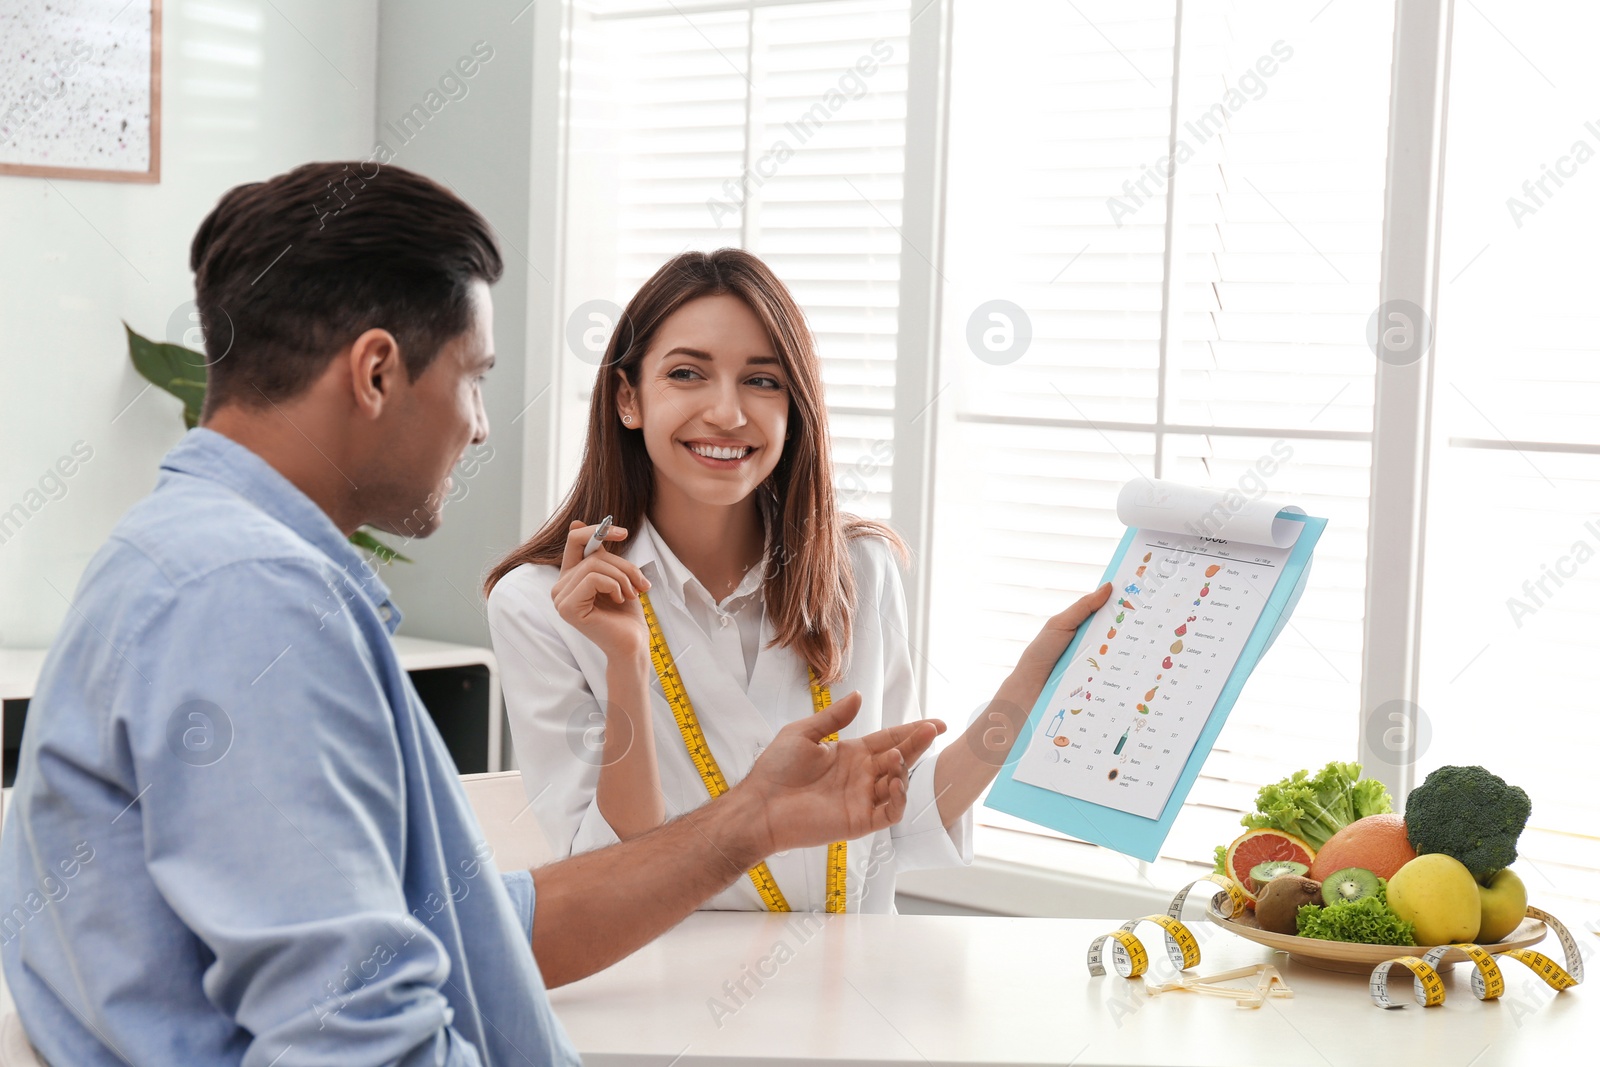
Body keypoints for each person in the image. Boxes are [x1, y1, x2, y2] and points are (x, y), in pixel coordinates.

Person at [0, 163, 946, 1067]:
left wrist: (747, 821)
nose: (482, 423)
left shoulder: (188, 553)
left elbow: (456, 921)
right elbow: (355, 1037)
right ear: (376, 373)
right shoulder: (245, 602)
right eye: (475, 375)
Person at [483, 249, 1112, 913]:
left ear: (796, 406)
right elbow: (607, 875)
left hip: (852, 989)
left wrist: (1027, 686)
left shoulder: (861, 568)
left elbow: (894, 818)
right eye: (687, 373)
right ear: (628, 398)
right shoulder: (540, 605)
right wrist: (626, 666)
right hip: (662, 992)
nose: (727, 413)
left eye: (762, 381)